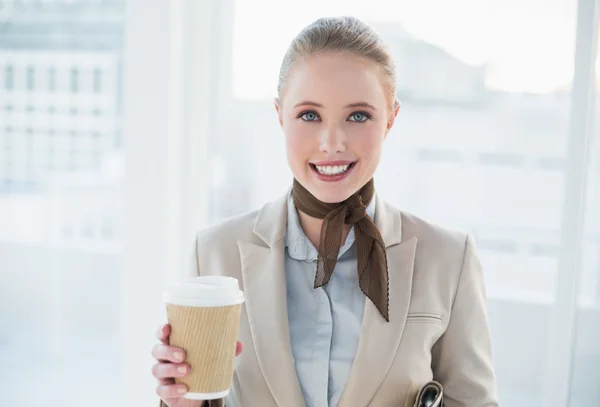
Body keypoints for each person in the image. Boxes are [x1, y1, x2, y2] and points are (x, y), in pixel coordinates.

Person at [151, 16, 499, 407]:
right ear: (281, 115)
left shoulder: (449, 259)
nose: (331, 143)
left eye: (358, 116)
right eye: (309, 115)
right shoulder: (215, 252)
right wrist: (181, 400)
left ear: (391, 119)